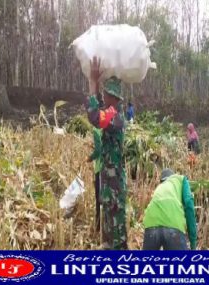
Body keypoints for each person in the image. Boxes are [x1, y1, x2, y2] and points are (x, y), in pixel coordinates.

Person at [85, 57, 127, 249]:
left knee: (117, 234)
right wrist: (95, 85)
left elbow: (96, 117)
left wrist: (93, 84)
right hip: (108, 185)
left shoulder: (116, 118)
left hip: (115, 186)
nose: (105, 97)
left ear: (116, 99)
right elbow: (100, 110)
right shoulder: (111, 113)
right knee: (109, 230)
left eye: (108, 95)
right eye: (105, 93)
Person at [143, 168, 197, 250]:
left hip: (151, 224)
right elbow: (189, 205)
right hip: (173, 223)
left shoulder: (159, 188)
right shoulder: (181, 179)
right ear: (173, 176)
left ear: (161, 180)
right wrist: (193, 242)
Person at [87, 127, 103, 232]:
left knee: (99, 199)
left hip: (102, 169)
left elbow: (98, 150)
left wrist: (90, 158)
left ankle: (98, 227)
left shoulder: (97, 130)